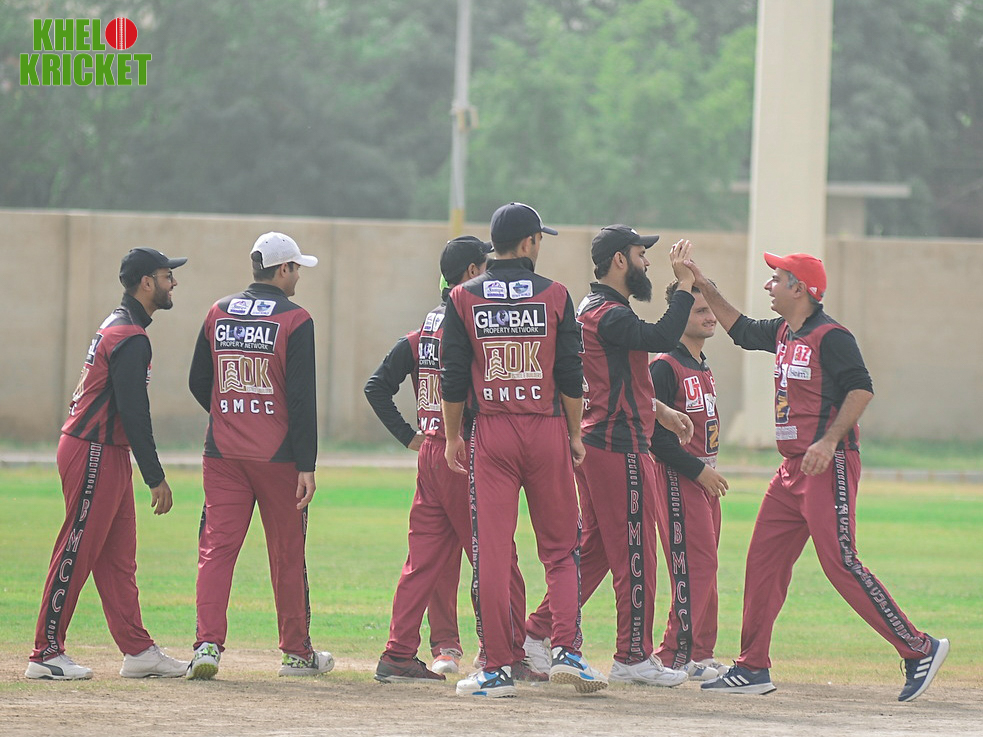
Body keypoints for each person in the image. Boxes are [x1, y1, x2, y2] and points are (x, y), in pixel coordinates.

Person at [693, 252, 949, 701]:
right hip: (790, 471)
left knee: (840, 562)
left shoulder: (831, 336)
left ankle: (920, 649)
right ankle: (752, 667)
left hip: (827, 466)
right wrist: (701, 282)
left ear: (800, 289)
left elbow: (861, 388)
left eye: (776, 279)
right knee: (763, 562)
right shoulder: (784, 331)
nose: (769, 285)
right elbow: (741, 330)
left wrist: (829, 442)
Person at [440, 202, 606, 698]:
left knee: (492, 551)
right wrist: (574, 434)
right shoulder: (555, 294)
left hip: (492, 432)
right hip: (547, 428)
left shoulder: (463, 296)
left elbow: (452, 376)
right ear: (530, 242)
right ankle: (568, 651)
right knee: (561, 548)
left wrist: (452, 436)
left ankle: (495, 668)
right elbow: (570, 374)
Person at [522, 226, 696, 688]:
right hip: (618, 446)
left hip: (600, 441)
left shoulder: (593, 308)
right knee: (637, 551)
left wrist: (660, 411)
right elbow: (662, 334)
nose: (647, 262)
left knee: (597, 550)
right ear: (620, 260)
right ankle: (632, 656)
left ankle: (535, 632)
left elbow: (615, 376)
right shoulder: (610, 313)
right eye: (641, 254)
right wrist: (684, 286)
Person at [365, 236, 542, 685]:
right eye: (485, 265)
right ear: (470, 273)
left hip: (432, 452)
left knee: (421, 562)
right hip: (463, 451)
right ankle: (509, 653)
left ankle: (397, 654)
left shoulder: (425, 329)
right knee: (498, 558)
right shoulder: (468, 323)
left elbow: (376, 386)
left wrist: (410, 436)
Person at [27, 247, 189, 681]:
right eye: (167, 276)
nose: (173, 282)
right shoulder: (130, 336)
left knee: (118, 559)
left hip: (107, 451)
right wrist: (156, 477)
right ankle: (45, 653)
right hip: (93, 450)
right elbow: (135, 413)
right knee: (76, 548)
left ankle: (138, 651)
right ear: (147, 283)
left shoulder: (120, 326)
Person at [187, 232, 333, 679]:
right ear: (282, 269)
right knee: (287, 554)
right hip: (279, 458)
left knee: (216, 550)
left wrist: (232, 415)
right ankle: (296, 654)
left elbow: (198, 381)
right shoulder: (296, 319)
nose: (299, 277)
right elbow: (302, 399)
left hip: (223, 453)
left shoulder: (218, 311)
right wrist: (307, 464)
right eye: (297, 268)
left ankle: (206, 646)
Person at [649, 279, 730, 681]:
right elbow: (656, 438)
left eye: (710, 309)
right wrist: (699, 471)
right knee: (693, 565)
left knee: (707, 565)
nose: (710, 316)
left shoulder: (702, 364)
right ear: (681, 315)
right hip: (680, 479)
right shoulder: (665, 365)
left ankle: (700, 652)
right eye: (700, 311)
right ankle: (672, 654)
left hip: (704, 480)